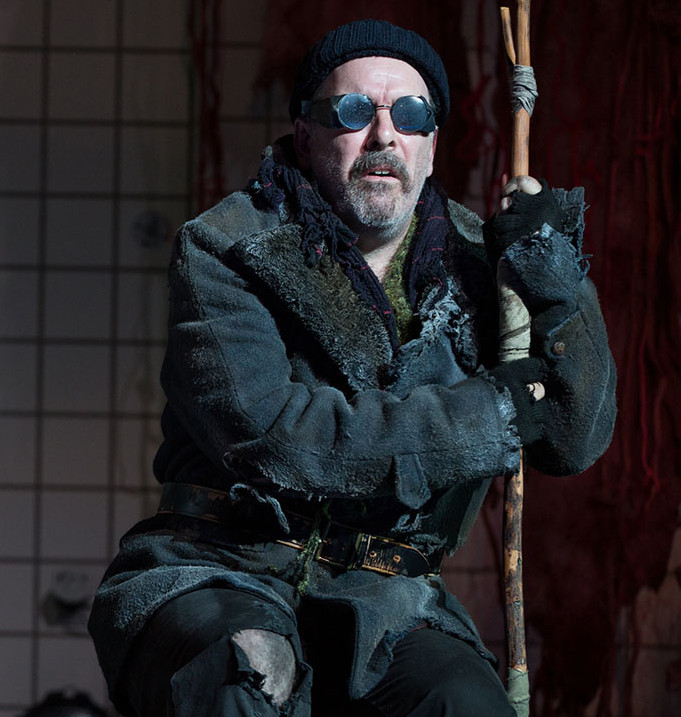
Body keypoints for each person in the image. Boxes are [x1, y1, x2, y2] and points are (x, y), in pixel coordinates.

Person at [88, 19, 616, 717]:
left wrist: (556, 283)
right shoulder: (226, 248)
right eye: (353, 111)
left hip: (386, 600)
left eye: (411, 114)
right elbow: (276, 438)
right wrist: (485, 415)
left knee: (464, 703)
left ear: (431, 145)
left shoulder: (480, 264)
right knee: (242, 677)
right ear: (306, 134)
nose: (383, 136)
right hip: (227, 566)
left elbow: (572, 439)